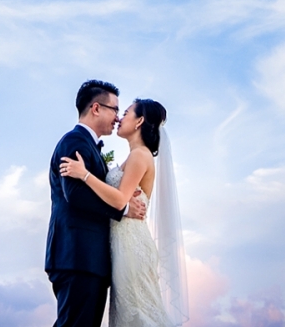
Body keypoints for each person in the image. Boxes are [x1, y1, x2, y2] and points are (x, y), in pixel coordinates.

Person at [59, 96, 189, 327]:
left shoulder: (140, 155)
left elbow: (119, 201)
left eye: (126, 112)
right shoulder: (133, 156)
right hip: (121, 244)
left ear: (139, 121)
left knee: (138, 313)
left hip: (132, 246)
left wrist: (84, 174)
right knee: (128, 314)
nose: (120, 117)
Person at [45, 80, 147, 327]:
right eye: (114, 109)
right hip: (77, 255)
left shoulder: (89, 146)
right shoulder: (74, 142)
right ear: (96, 108)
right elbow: (76, 194)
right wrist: (123, 208)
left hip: (90, 258)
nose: (117, 117)